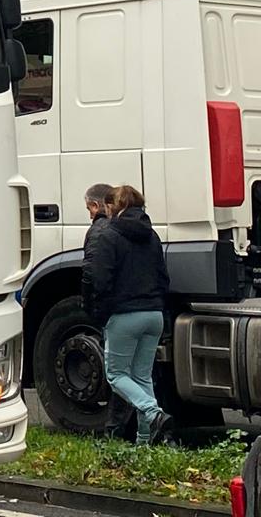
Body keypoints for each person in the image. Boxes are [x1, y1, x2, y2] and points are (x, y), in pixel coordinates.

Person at [87, 184, 171, 444]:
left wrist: (99, 312)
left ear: (114, 207)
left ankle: (153, 412)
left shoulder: (108, 235)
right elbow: (162, 277)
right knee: (142, 377)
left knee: (116, 376)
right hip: (153, 315)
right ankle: (145, 442)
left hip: (124, 315)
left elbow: (99, 280)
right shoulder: (152, 235)